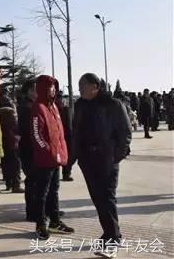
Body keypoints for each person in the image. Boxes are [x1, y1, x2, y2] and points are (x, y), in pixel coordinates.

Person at [71, 73, 131, 258]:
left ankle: (114, 237)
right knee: (97, 198)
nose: (79, 89)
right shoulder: (80, 105)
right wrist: (74, 157)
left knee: (107, 197)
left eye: (83, 86)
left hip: (106, 159)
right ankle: (108, 232)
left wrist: (116, 157)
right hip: (87, 159)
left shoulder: (113, 105)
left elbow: (125, 133)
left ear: (95, 86)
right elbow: (76, 131)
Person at [30, 75, 74, 240]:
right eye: (50, 87)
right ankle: (40, 223)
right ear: (42, 89)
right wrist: (47, 151)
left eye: (55, 87)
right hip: (45, 159)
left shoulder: (54, 106)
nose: (53, 90)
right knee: (42, 192)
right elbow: (36, 135)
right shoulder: (38, 107)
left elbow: (59, 132)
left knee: (54, 191)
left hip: (55, 158)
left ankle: (55, 221)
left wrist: (61, 152)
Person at [18, 79, 37, 222]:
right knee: (32, 181)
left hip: (32, 149)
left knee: (36, 182)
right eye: (34, 90)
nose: (37, 93)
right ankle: (31, 212)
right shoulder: (27, 107)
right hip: (29, 149)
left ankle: (40, 210)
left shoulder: (34, 105)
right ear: (28, 91)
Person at [0, 96, 24, 193]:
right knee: (16, 164)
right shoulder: (11, 113)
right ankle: (16, 185)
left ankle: (8, 183)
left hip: (3, 141)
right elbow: (16, 127)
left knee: (5, 163)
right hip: (12, 142)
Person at [57, 91, 74, 182]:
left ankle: (66, 173)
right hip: (57, 136)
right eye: (59, 98)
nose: (61, 100)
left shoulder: (67, 109)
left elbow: (72, 121)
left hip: (68, 136)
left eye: (62, 98)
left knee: (68, 156)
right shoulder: (53, 109)